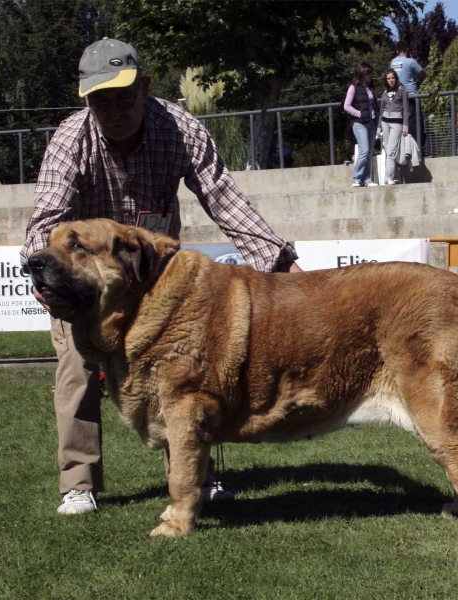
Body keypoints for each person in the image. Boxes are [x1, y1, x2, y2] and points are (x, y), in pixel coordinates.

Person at [21, 38, 302, 515]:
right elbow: (45, 221)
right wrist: (48, 281)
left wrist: (278, 261)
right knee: (77, 370)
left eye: (123, 97)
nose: (112, 111)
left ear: (146, 86)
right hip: (88, 287)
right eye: (99, 101)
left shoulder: (180, 128)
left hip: (157, 283)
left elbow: (224, 198)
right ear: (85, 100)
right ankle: (79, 482)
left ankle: (198, 478)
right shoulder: (72, 139)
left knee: (189, 374)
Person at [343, 62, 379, 187]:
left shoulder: (371, 86)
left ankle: (367, 179)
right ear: (362, 74)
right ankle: (356, 178)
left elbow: (373, 104)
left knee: (369, 151)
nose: (370, 75)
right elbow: (346, 106)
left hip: (372, 122)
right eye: (368, 73)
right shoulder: (353, 87)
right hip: (359, 123)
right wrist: (359, 114)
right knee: (364, 150)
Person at [390, 42, 426, 149]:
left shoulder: (392, 62)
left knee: (400, 123)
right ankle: (418, 149)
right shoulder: (411, 61)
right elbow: (423, 75)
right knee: (416, 123)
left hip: (397, 98)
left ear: (397, 51)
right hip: (411, 97)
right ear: (407, 49)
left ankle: (404, 149)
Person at [376, 70, 409, 185]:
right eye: (388, 78)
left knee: (391, 151)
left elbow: (406, 109)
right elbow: (381, 111)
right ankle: (395, 176)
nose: (391, 80)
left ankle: (387, 177)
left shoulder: (402, 91)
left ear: (396, 78)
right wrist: (379, 128)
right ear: (386, 80)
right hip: (385, 122)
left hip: (397, 123)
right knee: (389, 151)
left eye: (393, 78)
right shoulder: (385, 93)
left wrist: (405, 126)